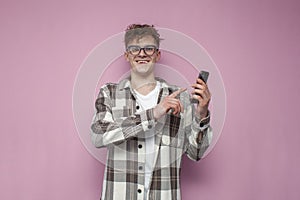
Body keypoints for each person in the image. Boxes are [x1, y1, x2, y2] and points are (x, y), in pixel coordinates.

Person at [91, 24, 212, 200]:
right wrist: (154, 113)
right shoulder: (110, 93)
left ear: (157, 55)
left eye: (149, 48)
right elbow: (98, 136)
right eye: (134, 49)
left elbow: (196, 153)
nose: (142, 54)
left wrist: (202, 114)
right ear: (127, 55)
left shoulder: (180, 97)